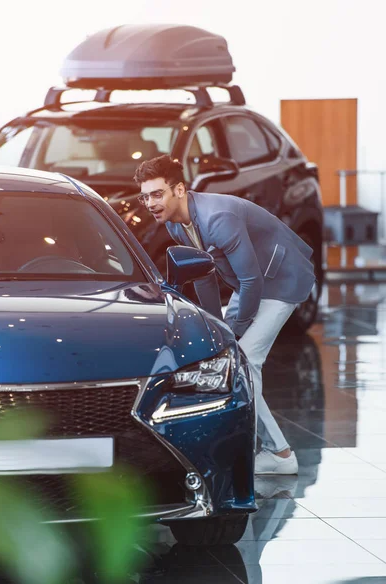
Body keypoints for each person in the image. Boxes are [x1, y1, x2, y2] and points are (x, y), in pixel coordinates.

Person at [133, 155, 316, 475]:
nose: (150, 203)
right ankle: (258, 447)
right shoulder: (177, 226)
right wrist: (214, 328)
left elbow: (251, 281)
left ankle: (281, 455)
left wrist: (235, 330)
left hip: (281, 279)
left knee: (244, 363)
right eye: (145, 196)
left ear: (179, 189)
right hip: (253, 283)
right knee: (229, 356)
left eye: (157, 194)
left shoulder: (218, 218)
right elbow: (205, 274)